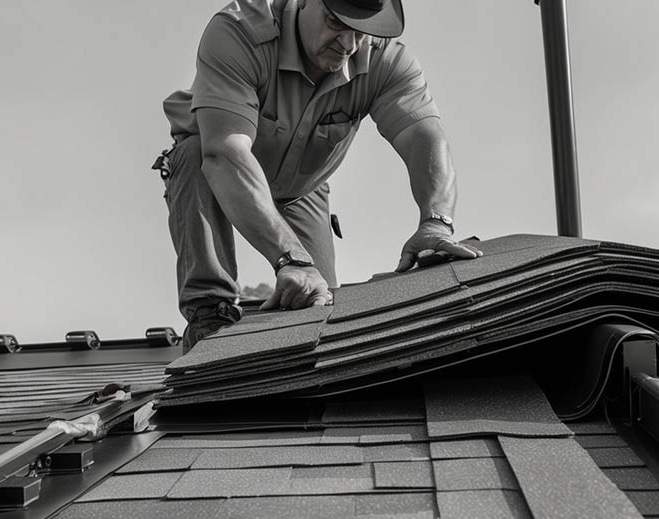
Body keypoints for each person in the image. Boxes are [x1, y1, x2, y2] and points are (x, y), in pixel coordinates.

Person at [159, 0, 482, 350]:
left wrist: (436, 221)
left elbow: (424, 137)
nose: (348, 44)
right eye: (335, 23)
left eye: (359, 31)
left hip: (303, 188)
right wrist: (291, 258)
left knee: (319, 312)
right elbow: (224, 154)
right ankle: (211, 313)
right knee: (195, 154)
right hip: (220, 167)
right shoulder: (240, 32)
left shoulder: (384, 58)